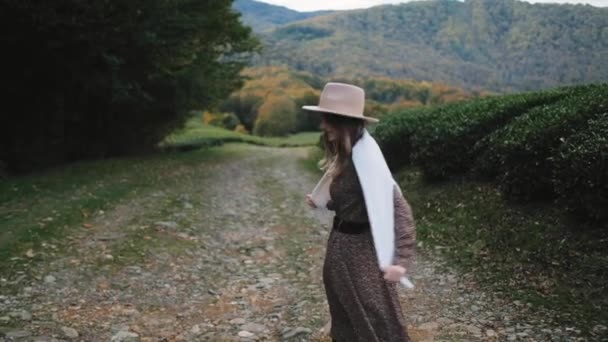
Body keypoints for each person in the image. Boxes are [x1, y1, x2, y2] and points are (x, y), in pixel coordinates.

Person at [303, 82, 416, 342]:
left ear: (343, 122)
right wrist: (325, 203)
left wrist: (401, 260)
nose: (323, 125)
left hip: (361, 257)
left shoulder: (367, 159)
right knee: (344, 317)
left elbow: (400, 211)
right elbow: (353, 198)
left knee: (375, 319)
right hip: (339, 250)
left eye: (327, 119)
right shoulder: (348, 155)